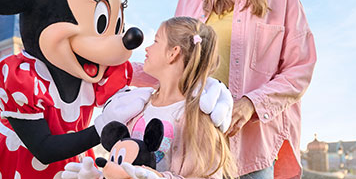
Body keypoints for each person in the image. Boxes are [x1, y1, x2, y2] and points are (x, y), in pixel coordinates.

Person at [175, 0, 317, 179]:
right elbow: (172, 69)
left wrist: (252, 104)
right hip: (197, 151)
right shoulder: (187, 3)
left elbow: (300, 69)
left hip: (255, 150)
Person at [63, 16, 236, 179]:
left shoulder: (197, 117)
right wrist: (98, 175)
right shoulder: (139, 108)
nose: (147, 48)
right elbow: (123, 166)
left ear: (173, 53)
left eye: (156, 41)